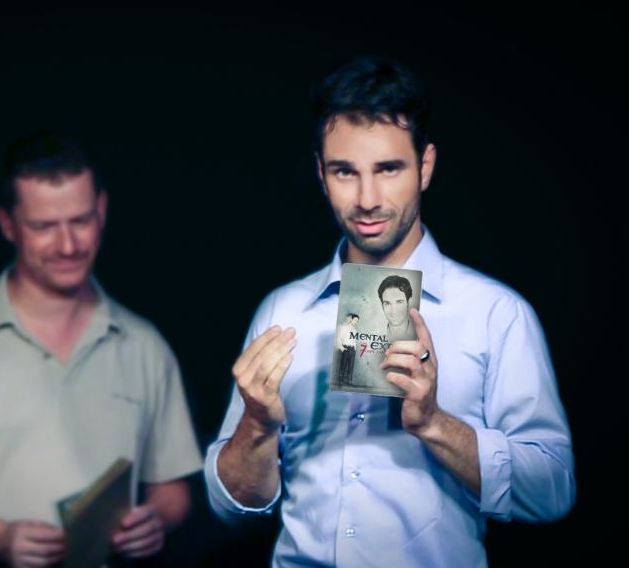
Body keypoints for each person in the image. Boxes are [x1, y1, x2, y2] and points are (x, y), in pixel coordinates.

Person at [205, 56, 575, 567]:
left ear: (425, 166)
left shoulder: (496, 313)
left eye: (388, 169)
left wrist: (434, 424)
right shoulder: (283, 311)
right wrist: (257, 427)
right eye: (345, 171)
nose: (367, 199)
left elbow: (553, 490)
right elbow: (229, 509)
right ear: (321, 173)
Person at [0, 131, 203, 566]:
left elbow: (171, 486)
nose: (68, 245)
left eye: (80, 221)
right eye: (43, 227)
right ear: (7, 224)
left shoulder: (144, 345)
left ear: (102, 210)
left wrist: (156, 519)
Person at [378, 274, 416, 341]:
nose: (394, 311)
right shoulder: (375, 333)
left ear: (408, 302)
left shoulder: (418, 334)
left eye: (399, 302)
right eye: (387, 303)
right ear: (382, 305)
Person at [333, 312, 359, 386]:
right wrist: (342, 348)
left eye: (357, 321)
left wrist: (354, 349)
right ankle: (340, 381)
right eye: (355, 320)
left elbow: (354, 341)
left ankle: (349, 381)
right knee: (343, 365)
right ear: (351, 319)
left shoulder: (355, 331)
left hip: (352, 350)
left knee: (351, 366)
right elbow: (339, 338)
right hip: (346, 348)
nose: (356, 322)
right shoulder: (344, 328)